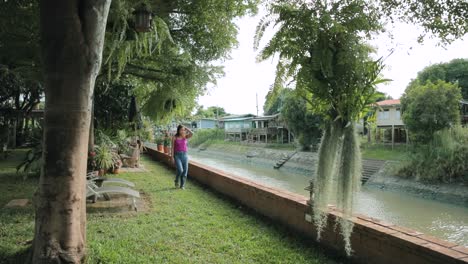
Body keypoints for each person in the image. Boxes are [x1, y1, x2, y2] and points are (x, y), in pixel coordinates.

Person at [171, 125, 193, 189]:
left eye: (183, 130)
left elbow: (192, 134)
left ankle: (182, 185)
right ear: (178, 130)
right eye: (181, 130)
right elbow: (172, 148)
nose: (183, 131)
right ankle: (176, 180)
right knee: (180, 170)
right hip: (177, 155)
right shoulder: (174, 137)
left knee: (185, 171)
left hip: (185, 155)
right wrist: (172, 157)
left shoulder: (185, 137)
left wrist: (187, 128)